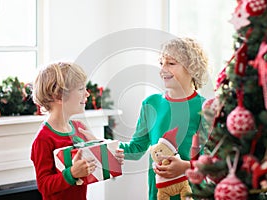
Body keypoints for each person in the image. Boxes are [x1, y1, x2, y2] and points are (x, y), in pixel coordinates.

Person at [119, 37, 209, 200]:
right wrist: (101, 145)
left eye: (171, 63)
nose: (163, 70)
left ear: (191, 67)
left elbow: (214, 161)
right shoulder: (151, 104)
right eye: (162, 63)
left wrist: (185, 167)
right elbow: (136, 149)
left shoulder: (205, 108)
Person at [30, 62, 124, 200]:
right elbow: (44, 185)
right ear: (58, 96)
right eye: (80, 89)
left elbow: (95, 167)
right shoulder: (43, 139)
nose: (87, 93)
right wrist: (72, 174)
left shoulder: (79, 128)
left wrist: (110, 157)